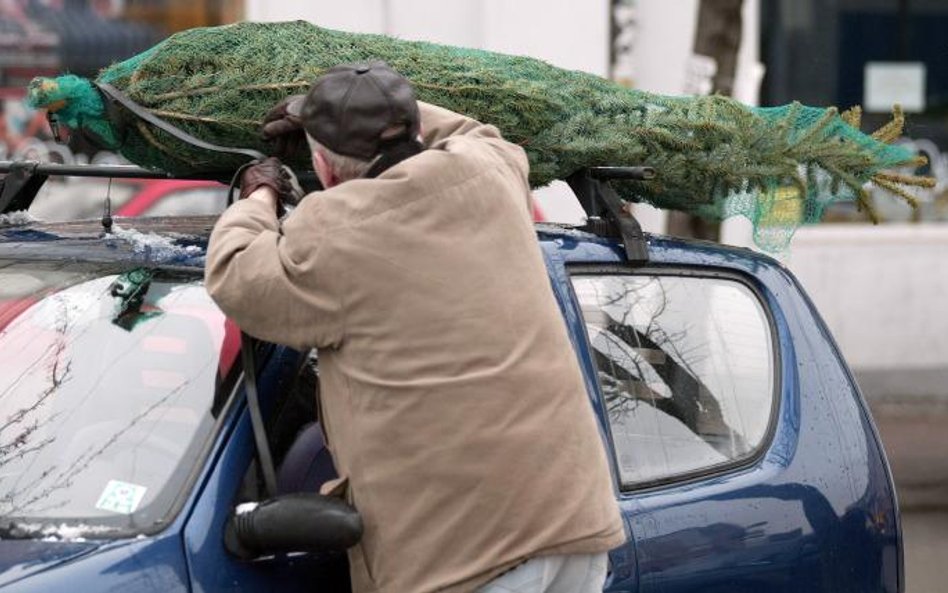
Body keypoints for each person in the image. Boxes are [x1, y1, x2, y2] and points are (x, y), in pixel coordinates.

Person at [205, 62, 624, 593]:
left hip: (464, 559)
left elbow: (238, 275)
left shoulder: (334, 232)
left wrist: (259, 196)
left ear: (324, 171)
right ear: (416, 132)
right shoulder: (490, 172)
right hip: (573, 525)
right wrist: (360, 113)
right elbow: (474, 131)